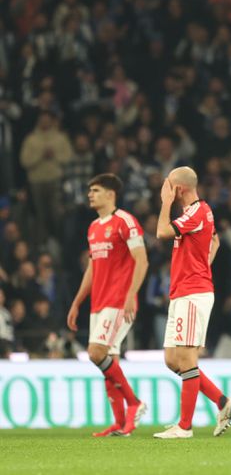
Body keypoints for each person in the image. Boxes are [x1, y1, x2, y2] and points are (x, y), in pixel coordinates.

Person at [153, 167, 231, 439]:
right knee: (172, 360)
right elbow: (214, 242)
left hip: (192, 293)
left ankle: (185, 427)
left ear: (178, 189)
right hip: (182, 292)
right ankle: (222, 401)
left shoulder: (195, 212)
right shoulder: (199, 214)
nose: (164, 191)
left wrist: (165, 204)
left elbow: (162, 232)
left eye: (168, 187)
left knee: (187, 359)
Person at [66, 174, 149, 437]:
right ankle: (120, 422)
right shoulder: (93, 227)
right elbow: (92, 268)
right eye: (90, 190)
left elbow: (142, 260)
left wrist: (130, 295)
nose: (90, 194)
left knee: (96, 352)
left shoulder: (125, 221)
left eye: (96, 190)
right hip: (99, 303)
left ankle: (135, 403)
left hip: (119, 300)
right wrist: (77, 301)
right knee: (107, 360)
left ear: (111, 194)